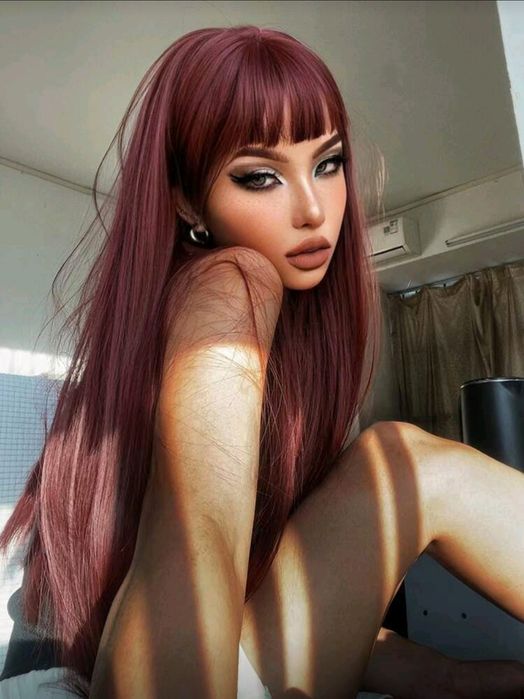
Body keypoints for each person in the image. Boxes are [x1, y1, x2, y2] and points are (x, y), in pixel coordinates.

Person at [1, 24, 523, 699]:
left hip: (102, 654)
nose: (313, 210)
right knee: (406, 463)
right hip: (90, 671)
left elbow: (265, 588)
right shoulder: (231, 285)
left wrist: (454, 679)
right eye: (259, 177)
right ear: (187, 199)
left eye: (328, 163)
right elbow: (202, 543)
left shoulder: (232, 335)